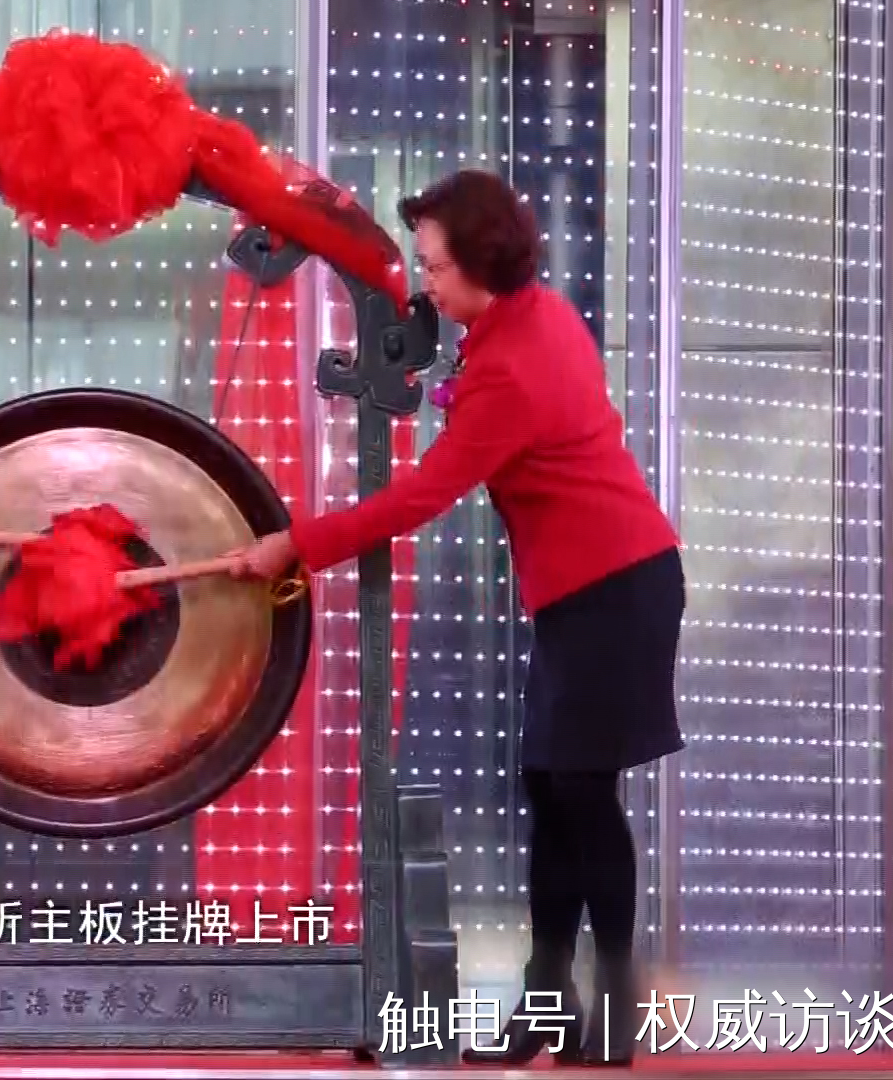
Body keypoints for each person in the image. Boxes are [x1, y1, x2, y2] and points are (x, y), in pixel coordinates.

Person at [235, 169, 684, 1068]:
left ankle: (613, 1016)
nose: (425, 284)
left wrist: (296, 543)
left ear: (483, 262)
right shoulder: (526, 319)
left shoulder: (512, 368)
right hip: (583, 592)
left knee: (584, 798)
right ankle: (549, 1009)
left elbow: (419, 498)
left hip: (617, 588)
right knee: (553, 794)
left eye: (436, 267)